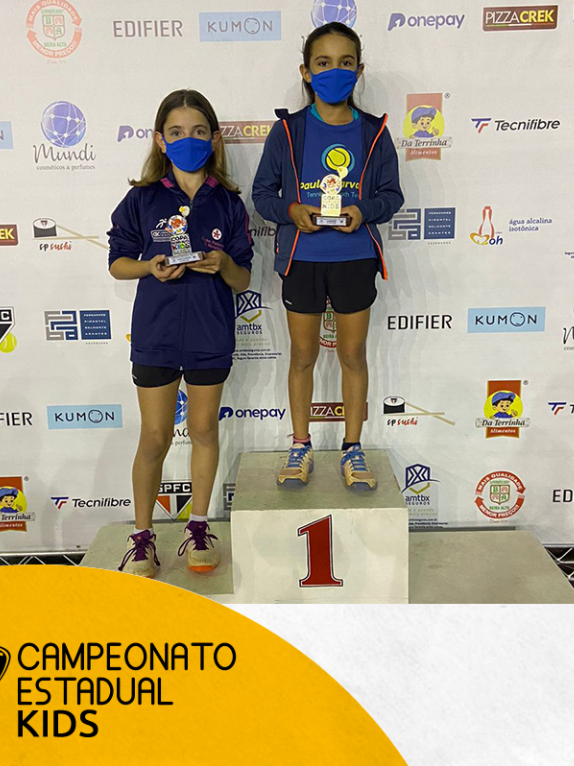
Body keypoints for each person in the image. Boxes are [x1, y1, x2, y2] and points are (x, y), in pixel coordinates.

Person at [252, 21, 404, 491]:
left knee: (353, 355)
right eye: (323, 63)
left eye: (345, 63)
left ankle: (352, 447)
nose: (334, 71)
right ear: (306, 71)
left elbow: (391, 195)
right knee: (303, 355)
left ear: (358, 71)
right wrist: (291, 210)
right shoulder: (288, 131)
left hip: (354, 258)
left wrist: (364, 211)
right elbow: (262, 194)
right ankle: (300, 445)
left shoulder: (374, 132)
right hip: (302, 260)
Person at [107, 89, 253, 578]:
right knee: (155, 435)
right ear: (159, 140)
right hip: (157, 333)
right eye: (176, 132)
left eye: (197, 131)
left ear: (213, 139)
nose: (187, 140)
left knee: (204, 429)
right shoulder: (142, 198)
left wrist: (223, 264)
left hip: (211, 333)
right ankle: (142, 537)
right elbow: (117, 263)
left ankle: (198, 526)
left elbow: (243, 278)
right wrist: (149, 266)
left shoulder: (229, 203)